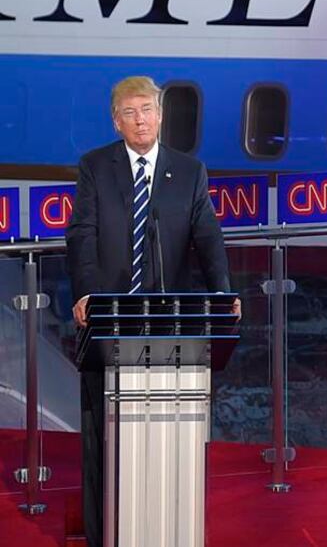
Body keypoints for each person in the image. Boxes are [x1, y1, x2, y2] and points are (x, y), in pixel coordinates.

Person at [65, 75, 238, 547]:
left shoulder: (189, 171)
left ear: (160, 116)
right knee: (102, 440)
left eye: (146, 110)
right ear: (116, 121)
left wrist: (222, 294)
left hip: (171, 326)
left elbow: (207, 237)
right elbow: (82, 234)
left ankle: (170, 529)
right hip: (107, 323)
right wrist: (87, 294)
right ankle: (106, 535)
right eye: (130, 112)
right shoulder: (96, 167)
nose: (140, 120)